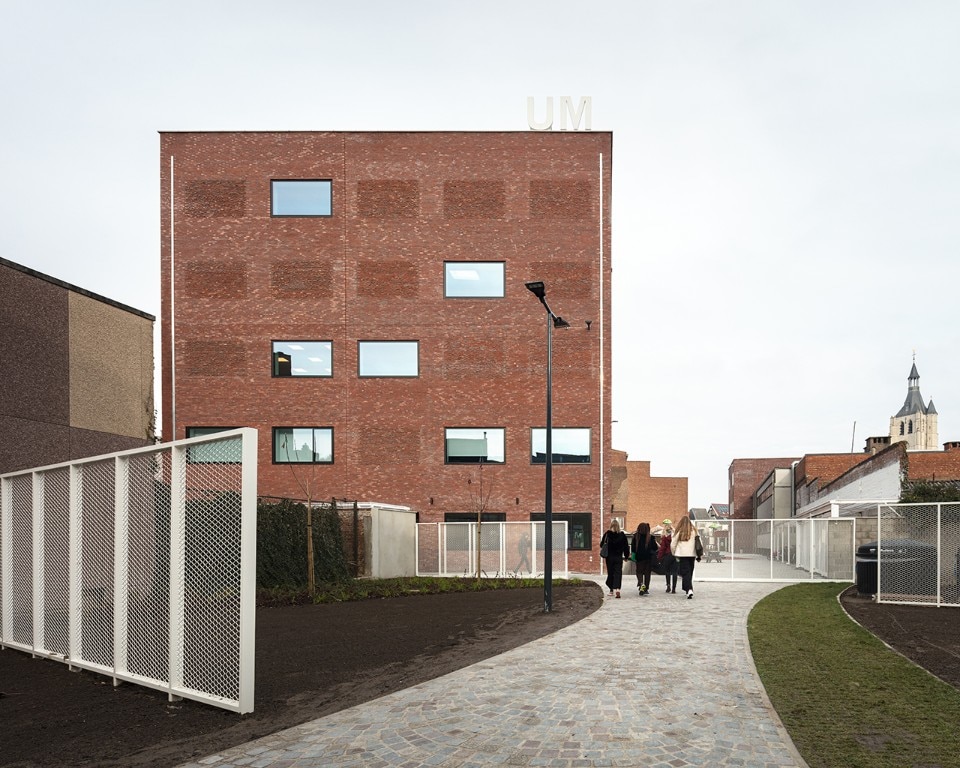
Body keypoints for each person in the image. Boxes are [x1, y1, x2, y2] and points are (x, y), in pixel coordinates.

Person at [670, 515, 701, 599]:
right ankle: (688, 589)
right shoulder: (694, 531)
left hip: (683, 555)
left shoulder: (679, 531)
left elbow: (673, 544)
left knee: (685, 572)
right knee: (689, 572)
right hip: (692, 554)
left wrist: (673, 553)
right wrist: (699, 554)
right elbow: (699, 542)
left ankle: (689, 589)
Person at [599, 519, 630, 598]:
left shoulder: (607, 534)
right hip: (618, 557)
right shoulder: (622, 535)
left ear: (611, 526)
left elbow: (601, 545)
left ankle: (611, 590)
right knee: (618, 573)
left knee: (611, 573)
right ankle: (618, 589)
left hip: (609, 557)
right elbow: (626, 547)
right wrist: (626, 556)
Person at [631, 521, 659, 595]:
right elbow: (655, 548)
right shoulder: (651, 537)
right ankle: (646, 588)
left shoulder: (635, 536)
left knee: (639, 572)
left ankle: (641, 584)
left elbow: (633, 548)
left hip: (639, 557)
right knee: (647, 573)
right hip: (648, 558)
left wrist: (633, 555)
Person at [658, 520, 678, 593]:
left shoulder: (664, 537)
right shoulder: (675, 536)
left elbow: (662, 548)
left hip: (667, 555)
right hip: (675, 555)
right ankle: (674, 588)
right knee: (675, 572)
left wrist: (659, 557)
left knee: (667, 571)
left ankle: (668, 586)